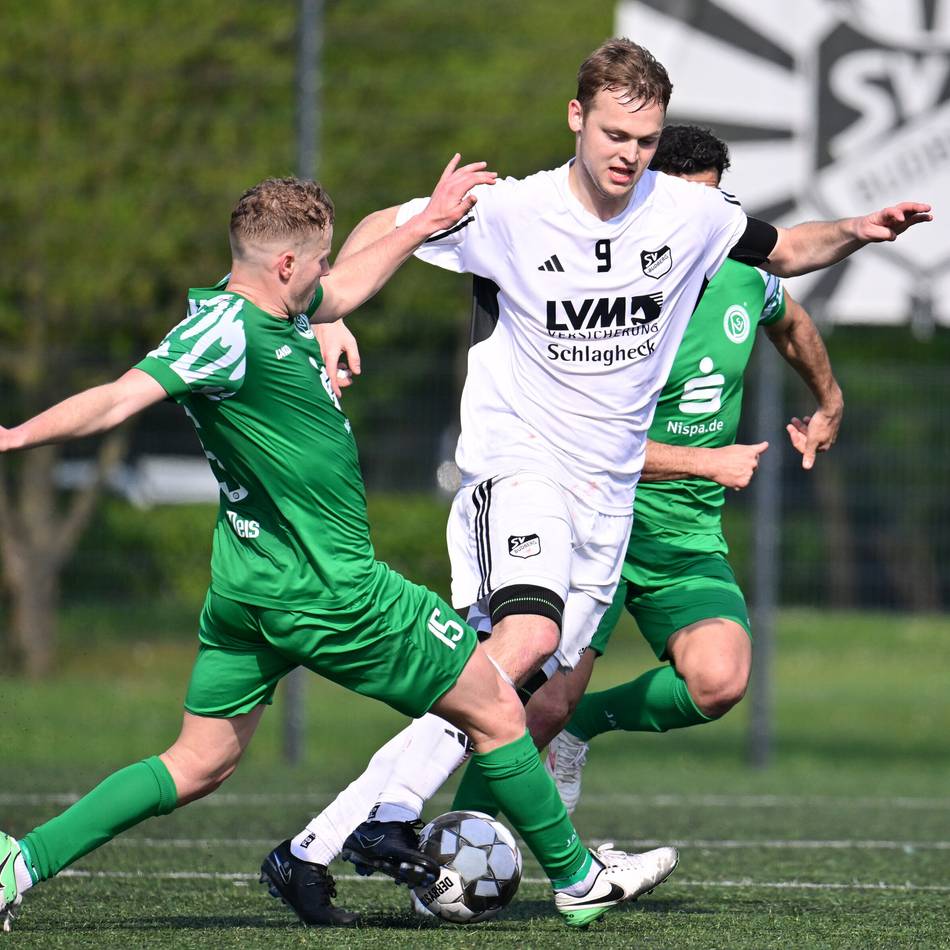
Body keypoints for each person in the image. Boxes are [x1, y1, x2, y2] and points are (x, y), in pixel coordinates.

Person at [266, 36, 928, 924]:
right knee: (528, 647)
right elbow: (386, 230)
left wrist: (859, 231)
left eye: (646, 140)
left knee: (505, 683)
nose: (630, 154)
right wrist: (325, 318)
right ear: (577, 118)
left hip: (606, 499)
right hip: (520, 467)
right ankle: (440, 834)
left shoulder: (687, 217)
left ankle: (319, 842)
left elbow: (787, 251)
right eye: (616, 133)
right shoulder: (512, 210)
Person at [0, 158, 673, 934]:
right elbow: (120, 396)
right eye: (315, 262)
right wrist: (17, 434)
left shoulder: (277, 305)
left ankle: (18, 863)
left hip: (250, 587)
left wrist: (423, 223)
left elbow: (345, 289)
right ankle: (578, 878)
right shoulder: (224, 331)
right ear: (285, 262)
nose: (326, 284)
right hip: (332, 591)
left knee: (198, 763)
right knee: (496, 707)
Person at [461, 123, 844, 815]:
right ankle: (452, 842)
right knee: (533, 705)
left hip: (683, 539)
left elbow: (790, 321)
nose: (701, 227)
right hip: (590, 527)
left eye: (714, 206)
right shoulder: (603, 295)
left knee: (719, 681)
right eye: (683, 205)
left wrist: (829, 399)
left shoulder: (741, 272)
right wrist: (704, 460)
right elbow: (576, 437)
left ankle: (585, 727)